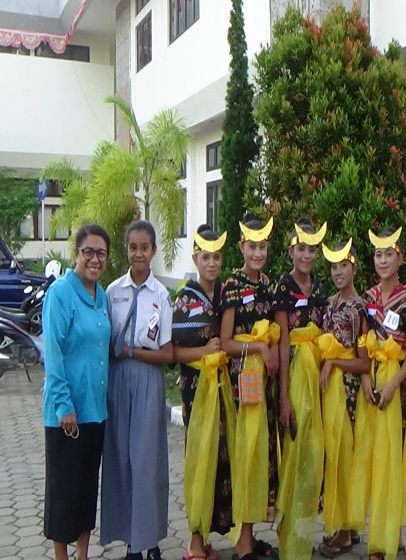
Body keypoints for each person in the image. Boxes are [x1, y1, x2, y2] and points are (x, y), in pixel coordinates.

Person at [100, 220, 173, 560]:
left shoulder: (161, 295)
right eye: (133, 247)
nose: (138, 253)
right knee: (121, 460)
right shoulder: (113, 292)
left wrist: (131, 352)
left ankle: (150, 539)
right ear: (126, 250)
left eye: (145, 247)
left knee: (147, 462)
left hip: (147, 379)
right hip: (118, 382)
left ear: (153, 251)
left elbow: (167, 354)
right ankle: (131, 540)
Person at [42, 223, 112, 560]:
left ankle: (82, 554)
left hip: (95, 410)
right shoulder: (60, 293)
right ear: (76, 254)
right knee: (63, 493)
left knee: (86, 490)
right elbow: (53, 353)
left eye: (101, 253)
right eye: (89, 252)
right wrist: (63, 405)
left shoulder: (102, 295)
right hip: (66, 414)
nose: (95, 259)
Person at [349, 226, 406, 560]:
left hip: (397, 389)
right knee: (373, 460)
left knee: (393, 461)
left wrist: (392, 386)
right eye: (378, 254)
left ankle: (387, 538)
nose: (382, 260)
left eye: (388, 254)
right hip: (371, 385)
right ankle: (379, 531)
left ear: (400, 258)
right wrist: (365, 378)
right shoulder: (367, 299)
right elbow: (361, 343)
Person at [220, 212, 281, 560]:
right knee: (245, 455)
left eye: (263, 247)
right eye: (252, 246)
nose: (258, 253)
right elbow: (227, 342)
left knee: (261, 456)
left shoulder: (268, 285)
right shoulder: (232, 285)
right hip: (243, 384)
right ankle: (242, 543)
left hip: (265, 384)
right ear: (242, 247)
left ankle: (251, 535)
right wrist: (258, 347)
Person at [172, 225, 230, 560]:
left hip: (224, 390)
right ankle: (194, 541)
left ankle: (207, 536)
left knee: (221, 462)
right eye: (205, 257)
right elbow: (174, 352)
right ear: (195, 259)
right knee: (199, 461)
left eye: (216, 257)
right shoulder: (186, 298)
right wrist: (205, 352)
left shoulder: (225, 293)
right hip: (196, 390)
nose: (211, 263)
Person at [273, 218, 328, 560]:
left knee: (313, 456)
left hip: (318, 379)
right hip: (294, 379)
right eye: (301, 249)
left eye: (312, 250)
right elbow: (282, 343)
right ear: (291, 251)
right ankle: (288, 539)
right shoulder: (284, 287)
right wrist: (283, 397)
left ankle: (305, 536)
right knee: (293, 456)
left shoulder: (319, 286)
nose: (306, 256)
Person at [317, 238, 370, 557]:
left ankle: (347, 531)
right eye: (334, 266)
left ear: (354, 269)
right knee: (334, 457)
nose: (338, 272)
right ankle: (342, 524)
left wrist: (334, 363)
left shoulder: (358, 310)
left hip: (349, 397)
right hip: (331, 394)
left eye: (344, 266)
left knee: (346, 459)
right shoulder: (330, 303)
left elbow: (364, 362)